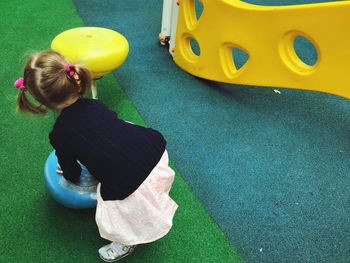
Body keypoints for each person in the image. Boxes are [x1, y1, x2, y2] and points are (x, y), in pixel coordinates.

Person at [14, 50, 178, 262]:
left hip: (131, 183)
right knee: (122, 128)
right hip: (153, 152)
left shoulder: (59, 135)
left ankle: (126, 243)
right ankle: (155, 191)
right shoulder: (95, 104)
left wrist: (70, 173)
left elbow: (72, 172)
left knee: (115, 211)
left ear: (42, 100)